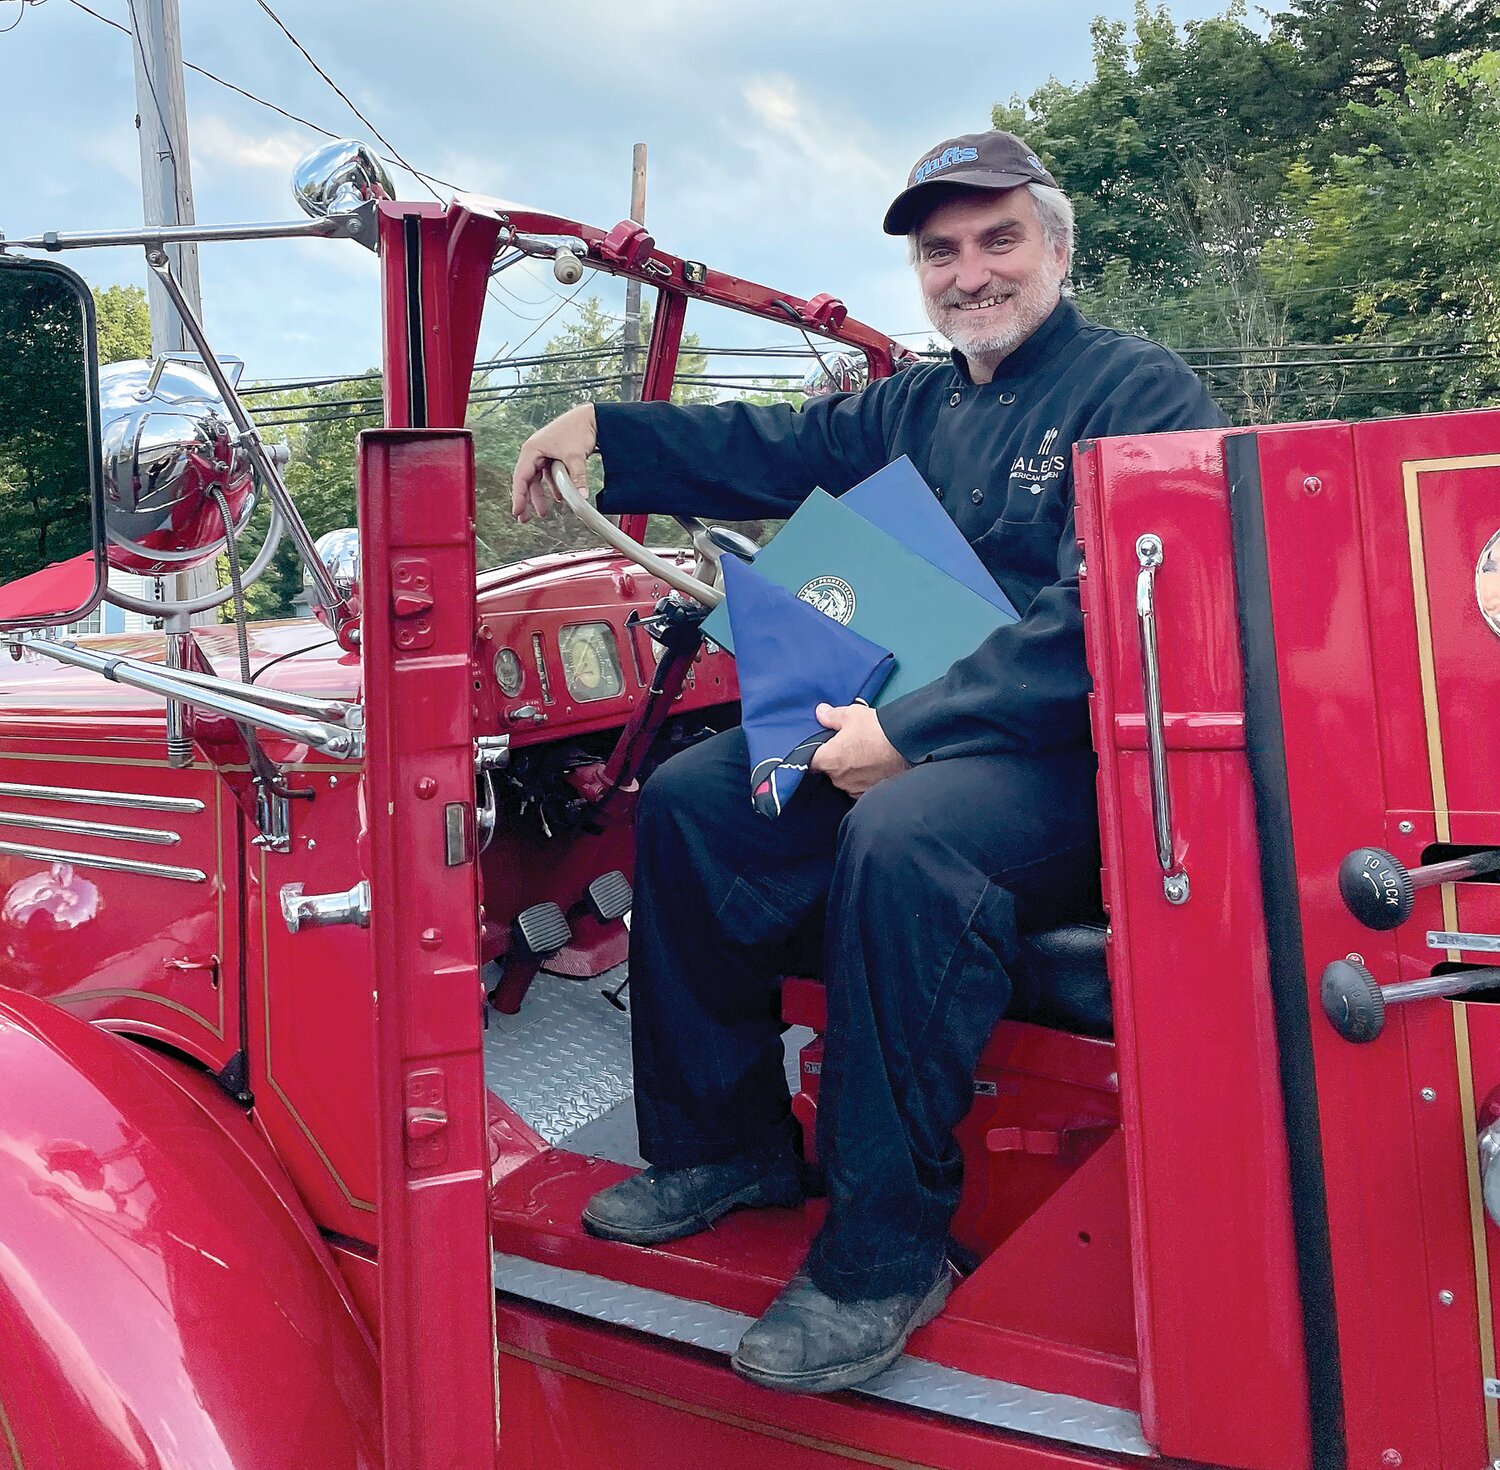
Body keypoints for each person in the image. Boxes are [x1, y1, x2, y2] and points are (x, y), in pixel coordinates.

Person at [511, 130, 1226, 1396]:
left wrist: (908, 732)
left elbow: (1105, 618)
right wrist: (605, 429)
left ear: (1056, 249)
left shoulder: (1138, 392)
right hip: (915, 724)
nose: (971, 272)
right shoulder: (922, 403)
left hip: (1070, 760)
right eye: (941, 251)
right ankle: (728, 1145)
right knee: (693, 798)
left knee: (906, 837)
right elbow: (776, 446)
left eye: (999, 239)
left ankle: (887, 1252)